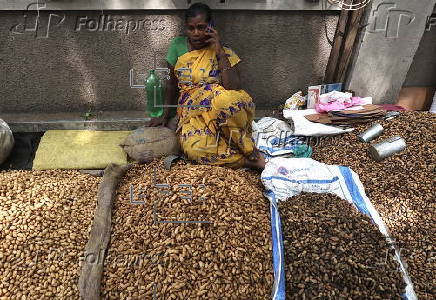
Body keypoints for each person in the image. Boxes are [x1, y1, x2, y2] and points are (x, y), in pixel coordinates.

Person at [149, 2, 265, 170]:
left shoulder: (223, 52)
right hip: (193, 111)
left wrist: (219, 52)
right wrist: (164, 115)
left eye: (201, 27)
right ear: (186, 28)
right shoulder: (177, 46)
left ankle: (246, 146)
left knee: (230, 102)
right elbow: (171, 86)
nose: (195, 33)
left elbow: (233, 87)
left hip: (219, 106)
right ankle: (246, 161)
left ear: (211, 27)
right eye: (191, 28)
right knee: (195, 150)